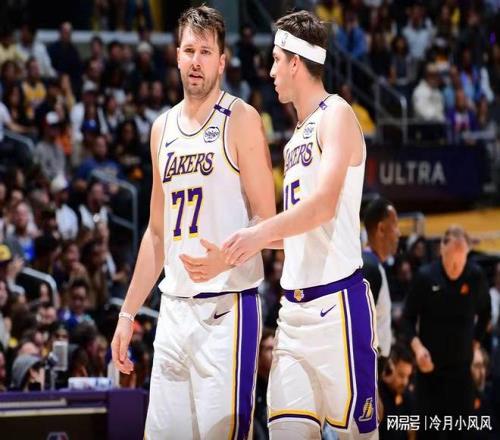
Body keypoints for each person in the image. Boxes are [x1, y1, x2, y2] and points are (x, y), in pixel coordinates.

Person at [191, 10, 378, 439]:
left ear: (296, 62)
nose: (271, 71)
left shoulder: (337, 115)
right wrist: (233, 253)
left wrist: (257, 232)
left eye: (276, 60)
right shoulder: (295, 139)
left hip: (337, 309)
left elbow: (323, 207)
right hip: (292, 318)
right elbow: (296, 231)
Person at [111, 6, 275, 439]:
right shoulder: (161, 128)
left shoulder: (240, 119)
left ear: (222, 60)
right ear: (177, 56)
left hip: (227, 308)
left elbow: (269, 221)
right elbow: (157, 234)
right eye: (189, 50)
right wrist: (127, 314)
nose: (196, 61)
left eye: (206, 51)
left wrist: (227, 258)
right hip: (173, 311)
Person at [402, 225, 491, 439]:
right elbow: (407, 319)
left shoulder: (475, 277)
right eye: (451, 260)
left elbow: (486, 314)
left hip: (461, 375)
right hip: (429, 374)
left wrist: (475, 344)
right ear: (442, 249)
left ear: (467, 255)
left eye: (460, 262)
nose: (455, 267)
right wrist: (418, 349)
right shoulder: (425, 277)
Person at [362, 198, 401, 367]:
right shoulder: (369, 267)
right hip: (368, 366)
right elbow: (359, 327)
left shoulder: (374, 265)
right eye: (395, 225)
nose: (399, 233)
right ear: (381, 229)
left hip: (377, 364)